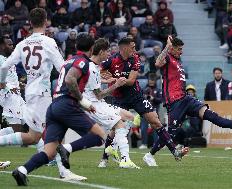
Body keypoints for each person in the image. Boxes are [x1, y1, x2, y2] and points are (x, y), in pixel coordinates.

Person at [143, 36, 232, 166]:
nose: (181, 51)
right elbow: (157, 63)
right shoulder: (168, 58)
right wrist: (166, 47)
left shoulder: (178, 61)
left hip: (186, 98)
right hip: (175, 102)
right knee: (170, 133)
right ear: (172, 49)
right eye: (179, 49)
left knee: (211, 116)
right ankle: (149, 155)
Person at [0, 8, 84, 185]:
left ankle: (63, 171)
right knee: (55, 129)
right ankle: (64, 172)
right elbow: (62, 66)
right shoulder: (48, 42)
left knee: (33, 136)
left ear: (30, 23)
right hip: (42, 92)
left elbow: (4, 67)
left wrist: (1, 82)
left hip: (29, 92)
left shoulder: (23, 43)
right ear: (46, 21)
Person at [11, 33, 107, 186]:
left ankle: (22, 170)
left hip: (54, 106)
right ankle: (66, 149)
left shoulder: (69, 60)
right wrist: (82, 101)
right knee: (100, 136)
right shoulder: (83, 62)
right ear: (92, 47)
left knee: (49, 152)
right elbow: (70, 80)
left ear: (76, 46)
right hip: (67, 104)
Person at [100, 37, 189, 163]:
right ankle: (104, 159)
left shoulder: (135, 58)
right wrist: (107, 76)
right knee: (115, 130)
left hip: (136, 96)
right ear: (124, 48)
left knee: (156, 122)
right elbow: (99, 71)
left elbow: (131, 81)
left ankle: (174, 151)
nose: (135, 50)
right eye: (132, 47)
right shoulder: (112, 60)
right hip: (119, 98)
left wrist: (114, 79)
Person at [57, 38, 140, 169]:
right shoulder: (92, 68)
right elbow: (99, 94)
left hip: (95, 102)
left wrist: (107, 81)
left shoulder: (90, 66)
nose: (109, 54)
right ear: (101, 52)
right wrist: (115, 85)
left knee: (130, 117)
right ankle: (125, 160)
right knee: (118, 124)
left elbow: (89, 84)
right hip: (92, 104)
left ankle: (112, 148)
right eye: (107, 51)